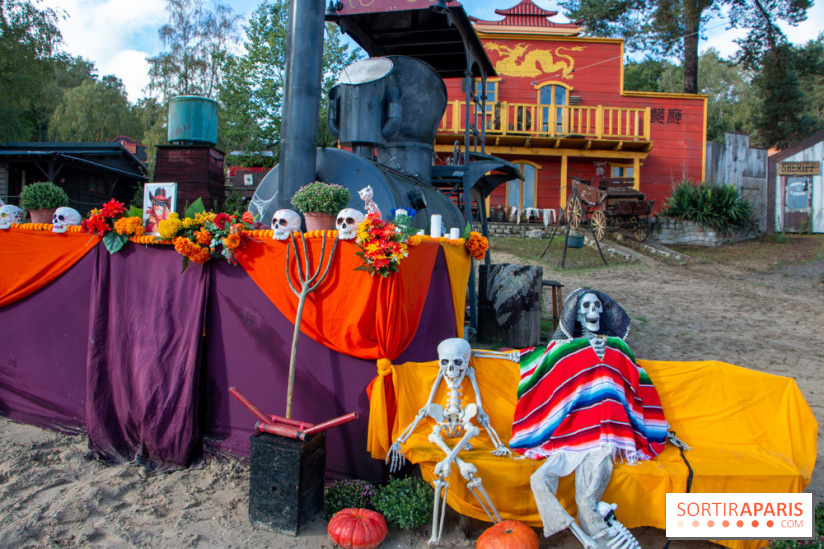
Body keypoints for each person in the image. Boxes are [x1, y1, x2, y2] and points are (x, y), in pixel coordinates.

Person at [510, 288, 678, 549]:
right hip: (570, 436)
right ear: (576, 315)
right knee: (539, 479)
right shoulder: (564, 350)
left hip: (606, 436)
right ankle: (565, 525)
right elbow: (545, 373)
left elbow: (636, 384)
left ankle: (601, 540)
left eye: (596, 306)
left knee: (586, 497)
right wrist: (523, 355)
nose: (592, 311)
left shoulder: (618, 347)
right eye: (586, 306)